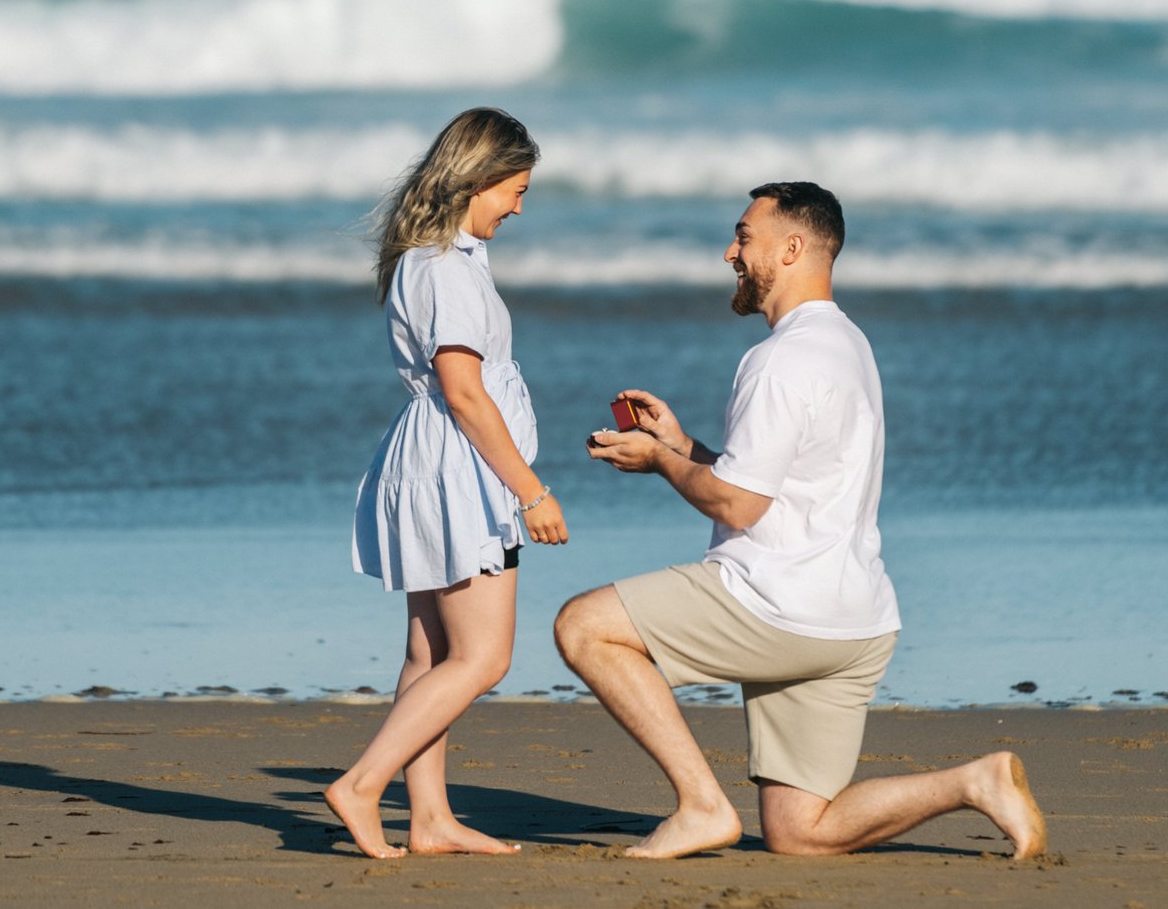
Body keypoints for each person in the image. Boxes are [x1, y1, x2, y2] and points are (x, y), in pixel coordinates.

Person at [555, 181, 1047, 861]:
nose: (730, 253)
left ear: (791, 248)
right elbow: (777, 481)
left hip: (777, 607)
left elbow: (737, 504)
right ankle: (975, 781)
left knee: (584, 626)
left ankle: (701, 804)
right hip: (854, 622)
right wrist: (682, 447)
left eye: (743, 237)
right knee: (799, 831)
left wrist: (662, 463)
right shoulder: (847, 342)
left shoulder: (779, 360)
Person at [326, 107, 569, 858]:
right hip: (461, 471)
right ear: (479, 179)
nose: (519, 207)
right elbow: (464, 391)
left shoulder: (435, 259)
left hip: (434, 461)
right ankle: (362, 783)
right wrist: (531, 491)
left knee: (430, 654)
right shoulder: (447, 271)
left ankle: (429, 817)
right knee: (483, 657)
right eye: (515, 189)